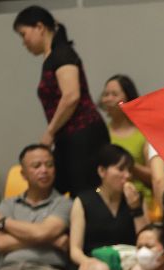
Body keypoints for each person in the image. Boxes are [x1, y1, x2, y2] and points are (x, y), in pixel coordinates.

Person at [13, 5, 110, 195]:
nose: (24, 42)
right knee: (57, 188)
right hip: (69, 138)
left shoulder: (62, 53)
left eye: (24, 34)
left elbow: (71, 96)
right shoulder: (52, 57)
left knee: (83, 193)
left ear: (40, 27)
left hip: (83, 137)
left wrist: (50, 131)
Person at [70, 144, 149, 270]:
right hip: (92, 264)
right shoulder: (84, 201)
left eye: (129, 170)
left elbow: (146, 243)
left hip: (127, 262)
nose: (127, 176)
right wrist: (87, 262)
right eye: (120, 169)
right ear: (102, 171)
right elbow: (74, 249)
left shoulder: (136, 199)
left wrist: (136, 209)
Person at [100, 74, 152, 206]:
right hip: (109, 203)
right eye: (106, 94)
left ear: (128, 98)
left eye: (114, 94)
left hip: (141, 201)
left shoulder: (143, 133)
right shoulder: (100, 133)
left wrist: (128, 163)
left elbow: (154, 176)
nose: (108, 99)